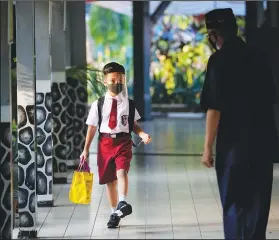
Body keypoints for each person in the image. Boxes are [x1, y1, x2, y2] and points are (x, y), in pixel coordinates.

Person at [200, 8, 278, 239]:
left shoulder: (218, 61)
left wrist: (207, 148)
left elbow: (214, 108)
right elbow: (271, 99)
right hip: (263, 143)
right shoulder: (259, 57)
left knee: (234, 203)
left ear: (213, 35)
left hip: (234, 147)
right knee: (258, 205)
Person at [80, 62, 152, 228]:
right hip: (105, 143)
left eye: (120, 80)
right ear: (105, 81)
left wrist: (142, 134)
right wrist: (85, 150)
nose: (117, 83)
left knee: (121, 171)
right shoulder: (98, 104)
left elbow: (133, 125)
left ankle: (122, 202)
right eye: (113, 80)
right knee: (109, 180)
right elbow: (91, 128)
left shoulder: (129, 103)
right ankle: (116, 212)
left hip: (123, 142)